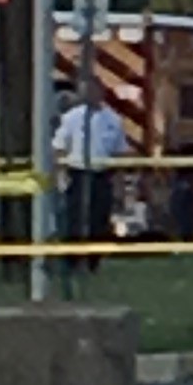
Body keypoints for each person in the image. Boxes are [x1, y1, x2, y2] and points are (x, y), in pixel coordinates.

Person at [50, 84, 127, 272]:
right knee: (74, 218)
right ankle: (72, 260)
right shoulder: (71, 118)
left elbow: (119, 154)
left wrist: (119, 185)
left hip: (102, 175)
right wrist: (59, 174)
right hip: (77, 174)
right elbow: (59, 148)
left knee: (99, 219)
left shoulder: (114, 120)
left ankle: (94, 261)